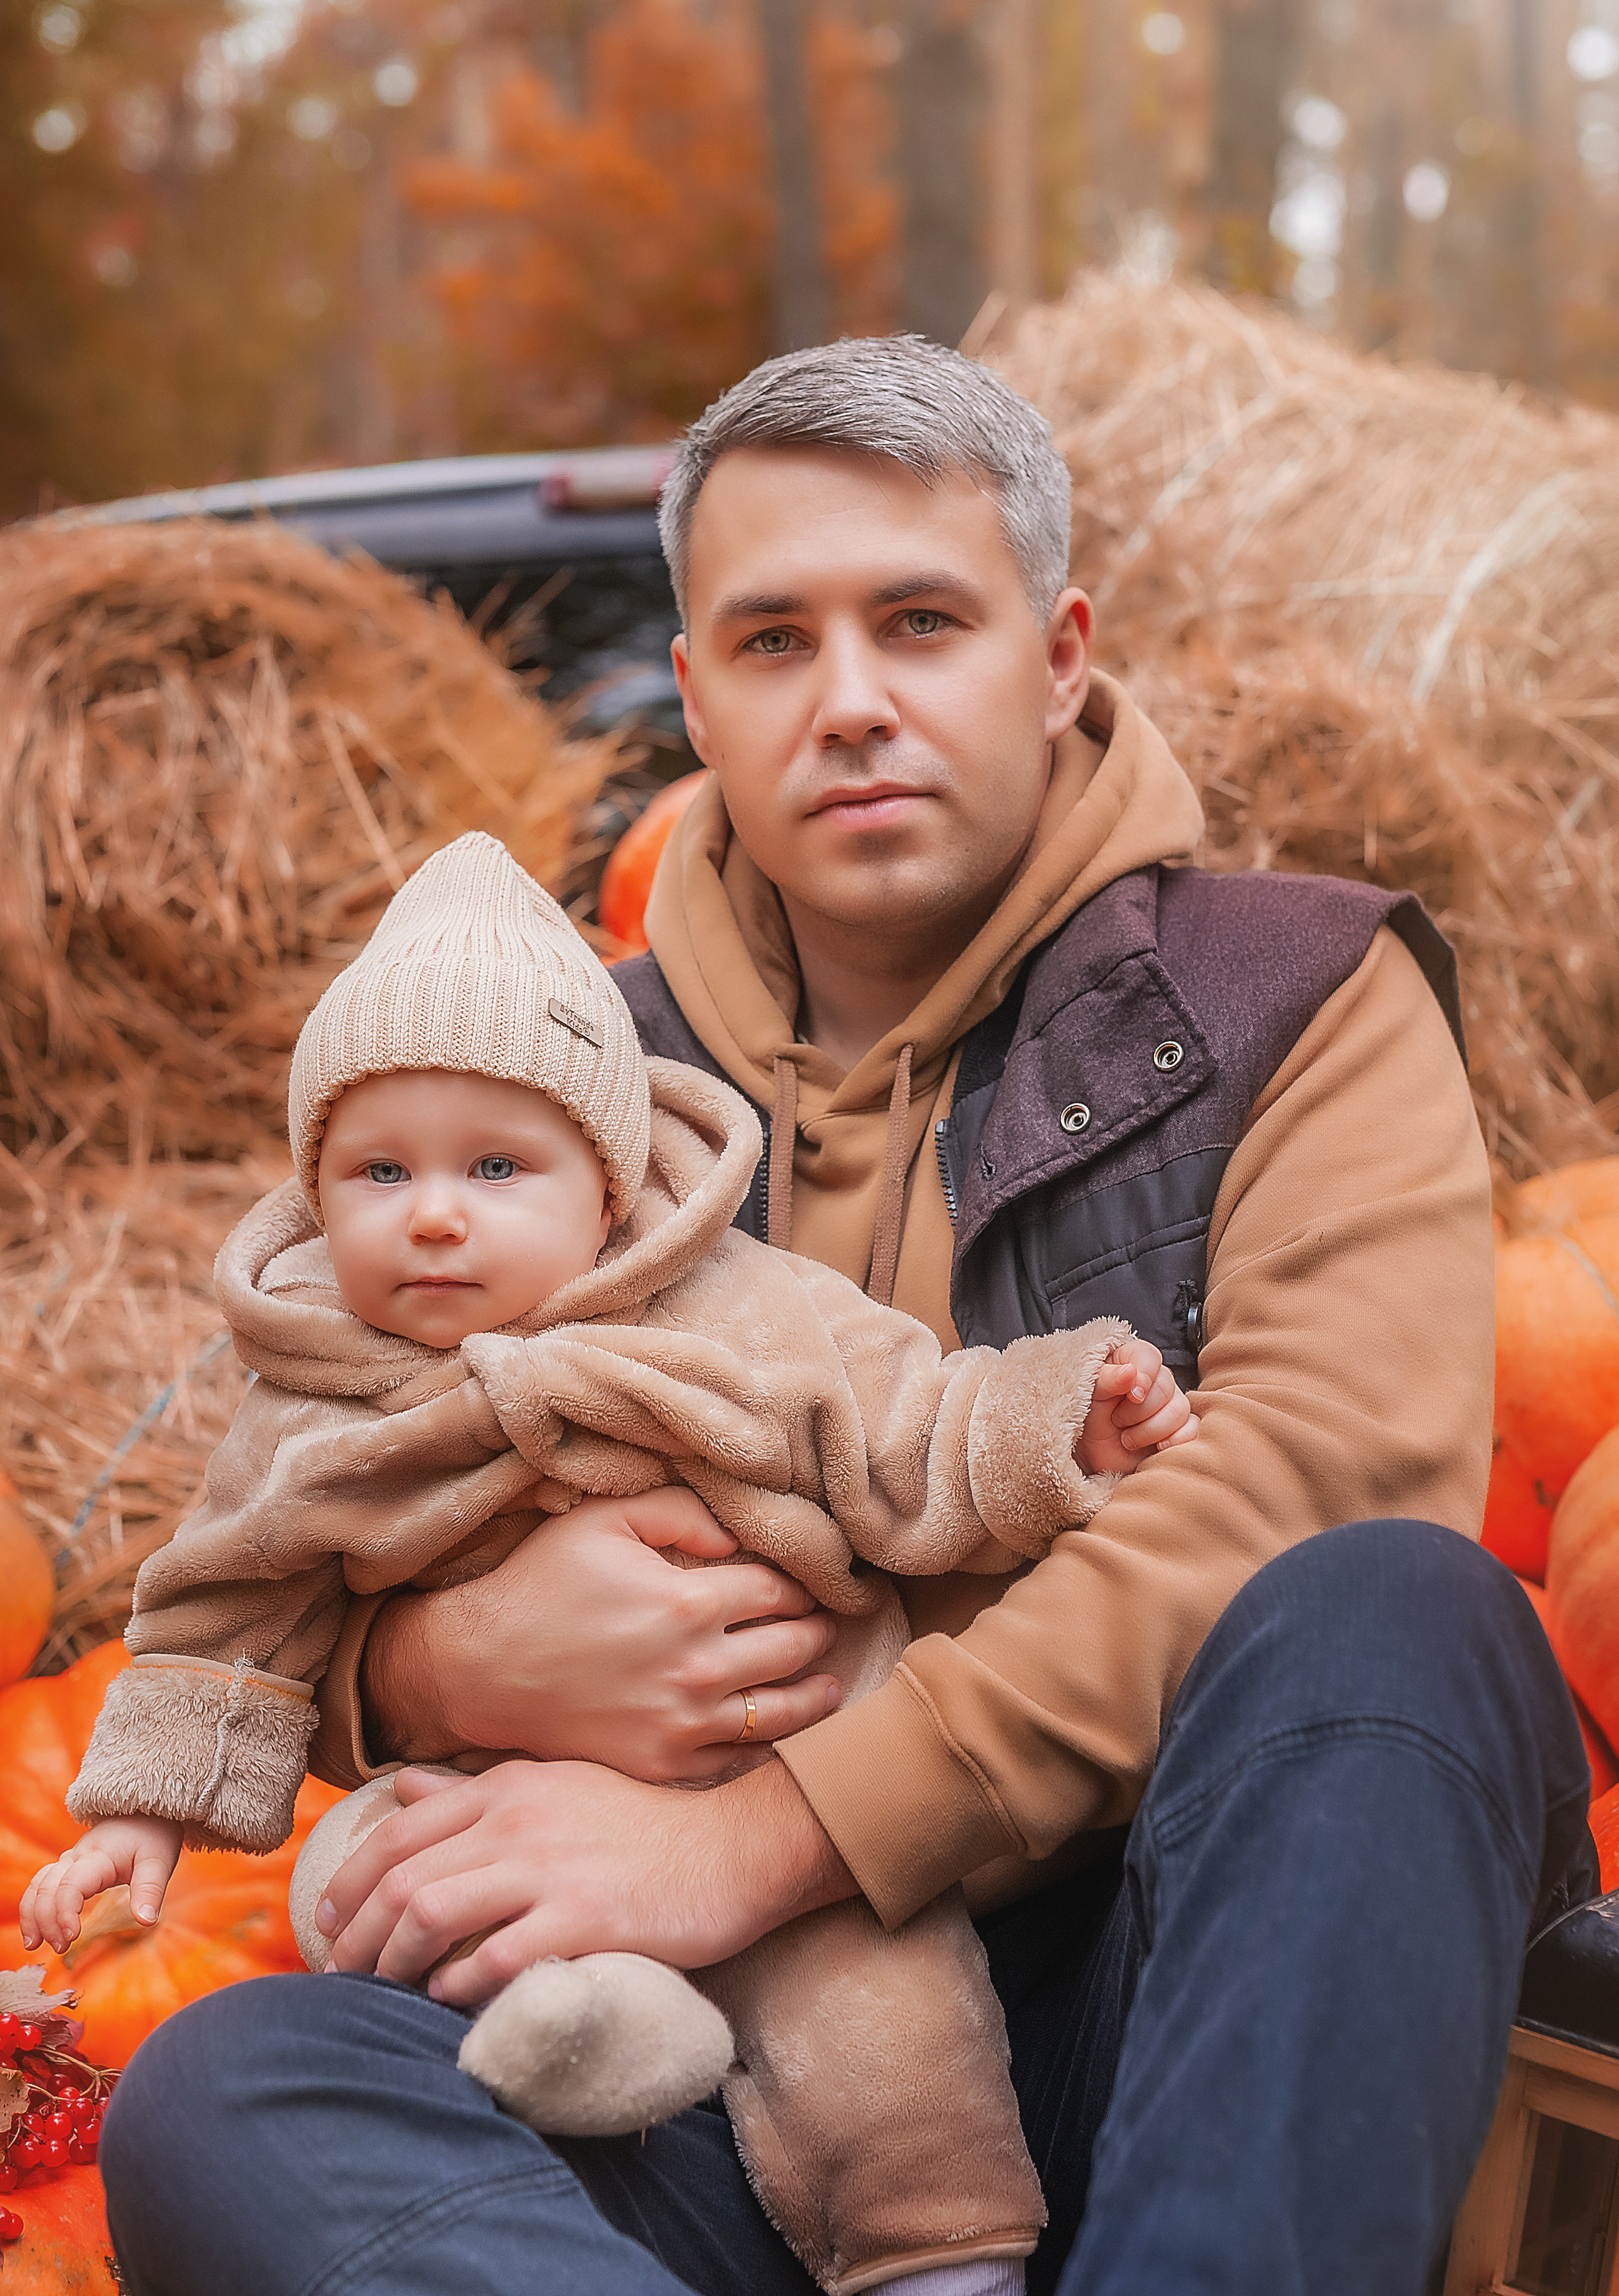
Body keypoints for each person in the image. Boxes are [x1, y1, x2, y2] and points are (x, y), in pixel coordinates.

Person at [98, 336, 1594, 2296]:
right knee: (229, 2091)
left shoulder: (1290, 993)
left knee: (1399, 1605)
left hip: (1193, 1981)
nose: (856, 702)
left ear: (1057, 656)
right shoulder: (550, 1101)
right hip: (724, 2051)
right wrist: (440, 1672)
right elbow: (304, 1484)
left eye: (920, 621)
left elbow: (1303, 1493)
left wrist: (765, 1833)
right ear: (698, 700)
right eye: (777, 642)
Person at [27, 825, 1193, 2296]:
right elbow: (225, 1607)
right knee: (380, 1894)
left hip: (779, 1792)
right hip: (487, 1813)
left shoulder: (733, 1309)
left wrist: (1055, 1426)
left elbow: (907, 1422)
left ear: (603, 1178)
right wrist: (145, 1812)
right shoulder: (313, 1391)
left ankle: (936, 2263)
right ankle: (568, 2054)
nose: (433, 1210)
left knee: (889, 2030)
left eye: (494, 1164)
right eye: (379, 1169)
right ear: (319, 1194)